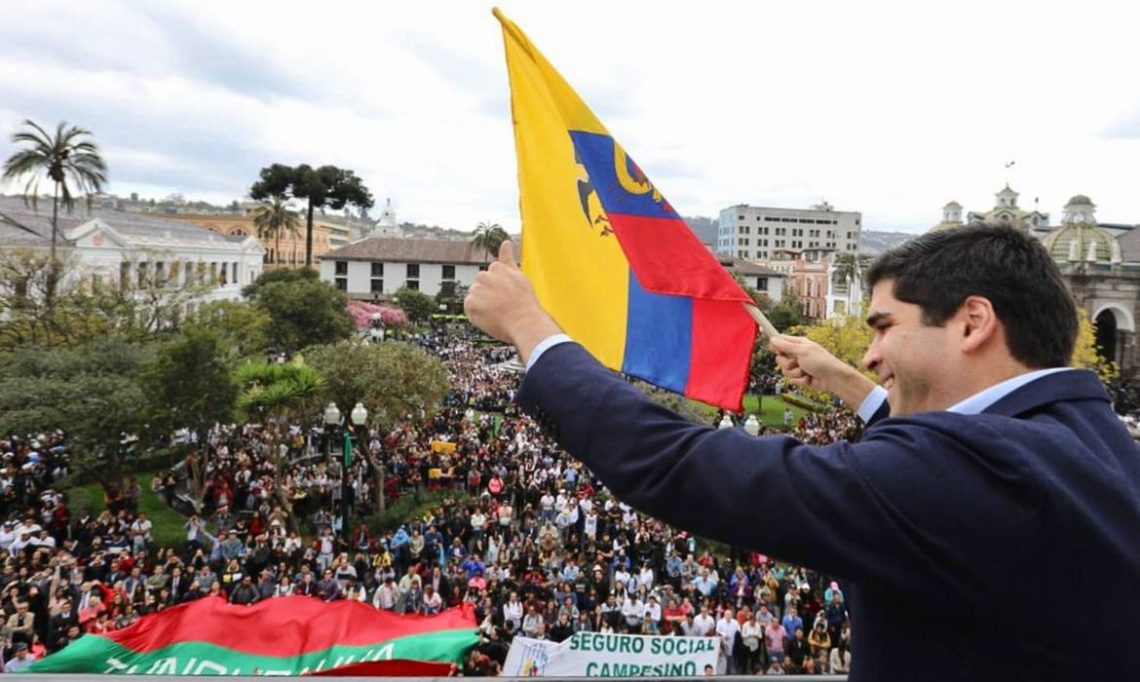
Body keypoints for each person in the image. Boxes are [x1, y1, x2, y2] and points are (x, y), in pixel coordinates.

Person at [463, 227, 1140, 680]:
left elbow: (682, 466)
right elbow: (944, 466)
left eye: (884, 328)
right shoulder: (1099, 445)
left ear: (972, 321)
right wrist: (852, 386)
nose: (871, 354)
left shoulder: (985, 474)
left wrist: (533, 330)